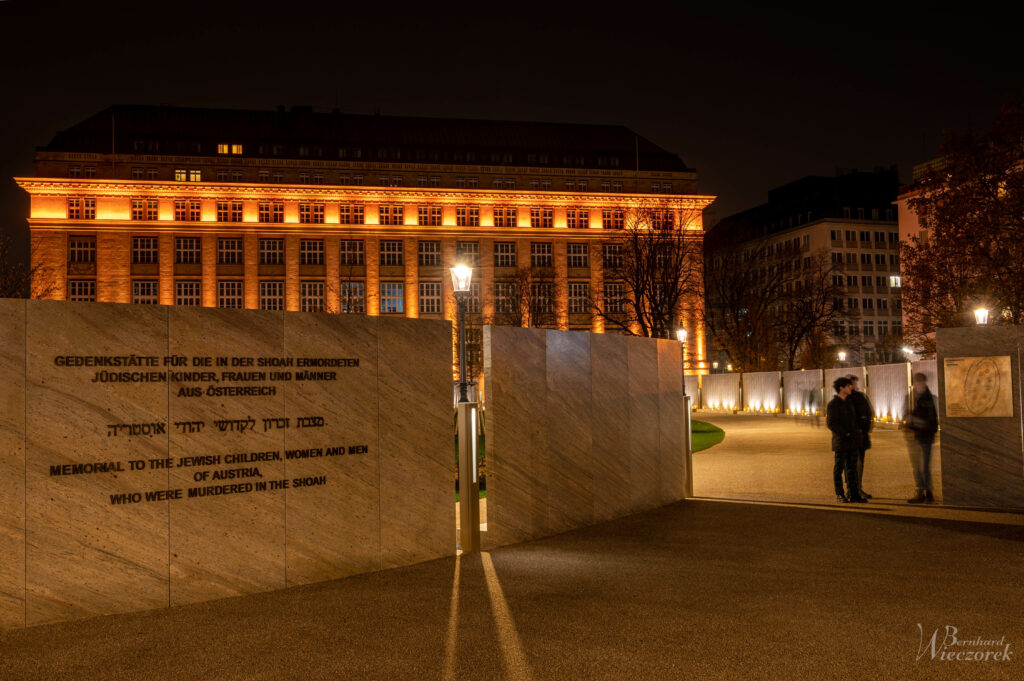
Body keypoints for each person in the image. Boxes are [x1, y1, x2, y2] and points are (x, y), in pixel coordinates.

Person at [827, 376, 866, 503]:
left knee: (852, 468)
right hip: (841, 441)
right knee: (839, 468)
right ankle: (840, 494)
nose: (851, 388)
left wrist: (856, 434)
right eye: (849, 386)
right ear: (841, 388)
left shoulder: (849, 403)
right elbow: (831, 423)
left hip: (852, 441)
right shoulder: (833, 404)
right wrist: (845, 433)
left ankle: (854, 494)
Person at [904, 372, 939, 503]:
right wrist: (907, 425)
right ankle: (920, 490)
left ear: (925, 383)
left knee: (925, 466)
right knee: (916, 466)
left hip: (926, 437)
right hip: (913, 437)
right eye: (918, 383)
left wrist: (927, 428)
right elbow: (905, 416)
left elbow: (933, 419)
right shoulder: (910, 399)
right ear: (915, 384)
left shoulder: (930, 399)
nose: (920, 385)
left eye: (922, 383)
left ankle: (928, 491)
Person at [847, 375, 874, 499]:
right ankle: (852, 489)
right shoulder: (844, 399)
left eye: (854, 383)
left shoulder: (861, 397)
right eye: (851, 384)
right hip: (849, 438)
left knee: (859, 463)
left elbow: (869, 413)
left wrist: (867, 429)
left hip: (861, 437)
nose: (853, 386)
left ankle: (857, 488)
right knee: (851, 464)